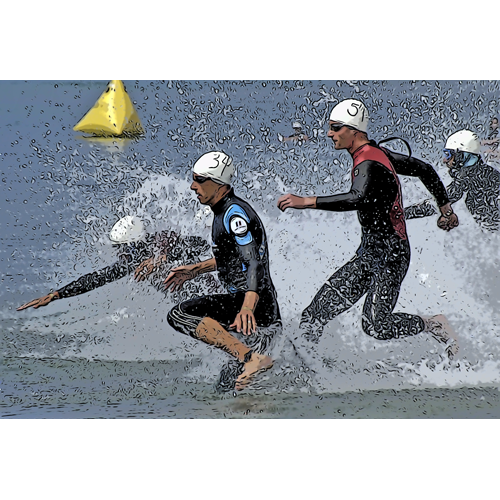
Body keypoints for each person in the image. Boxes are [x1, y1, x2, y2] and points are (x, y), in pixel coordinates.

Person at [277, 98, 459, 359]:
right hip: (370, 254)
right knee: (314, 315)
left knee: (376, 325)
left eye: (336, 128)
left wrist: (307, 201)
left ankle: (433, 324)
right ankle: (306, 371)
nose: (330, 134)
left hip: (391, 257)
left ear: (355, 131)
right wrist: (445, 209)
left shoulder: (368, 162)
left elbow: (357, 198)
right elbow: (425, 169)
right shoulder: (376, 154)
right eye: (330, 127)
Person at [164, 151, 281, 391]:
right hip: (257, 310)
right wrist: (196, 270)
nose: (192, 186)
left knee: (179, 315)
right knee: (228, 390)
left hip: (253, 306)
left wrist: (247, 307)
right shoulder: (223, 211)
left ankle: (251, 358)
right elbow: (231, 257)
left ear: (218, 184)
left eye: (198, 180)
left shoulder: (234, 214)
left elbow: (253, 263)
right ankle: (252, 360)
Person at [17, 216, 215, 311]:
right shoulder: (132, 261)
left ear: (137, 242)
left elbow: (199, 243)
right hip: (191, 304)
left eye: (124, 248)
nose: (121, 253)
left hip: (212, 293)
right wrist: (55, 295)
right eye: (118, 248)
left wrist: (161, 259)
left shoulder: (162, 241)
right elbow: (97, 278)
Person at [406, 129, 500, 231]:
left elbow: (441, 201)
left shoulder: (469, 176)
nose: (444, 160)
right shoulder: (483, 172)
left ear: (461, 155)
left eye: (448, 154)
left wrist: (401, 214)